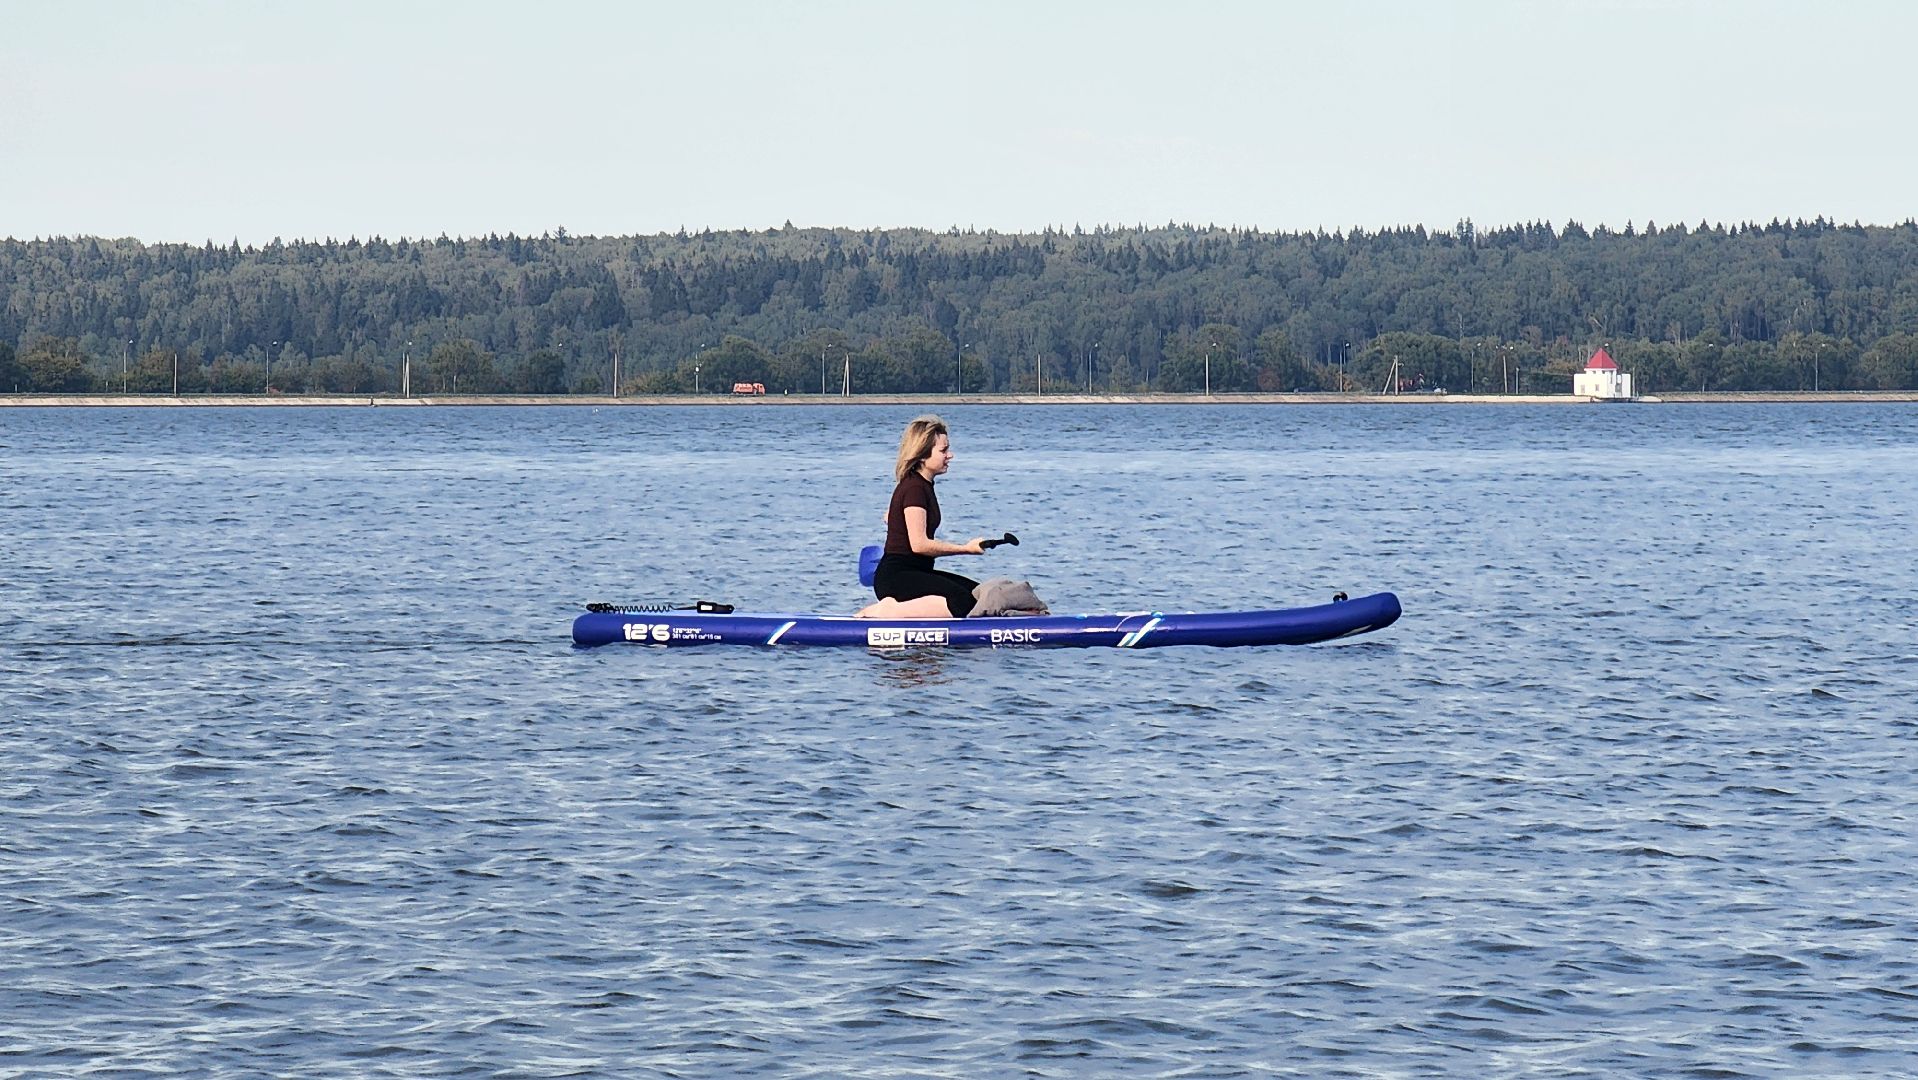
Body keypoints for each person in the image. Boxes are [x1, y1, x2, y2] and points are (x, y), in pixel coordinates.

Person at [857, 415, 992, 619]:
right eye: (943, 450)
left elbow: (902, 517)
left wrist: (893, 518)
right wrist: (966, 549)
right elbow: (919, 545)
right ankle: (886, 611)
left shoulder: (920, 486)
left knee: (977, 596)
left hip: (917, 572)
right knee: (962, 602)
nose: (950, 455)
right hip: (897, 578)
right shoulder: (914, 489)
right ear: (922, 455)